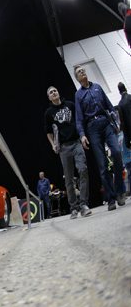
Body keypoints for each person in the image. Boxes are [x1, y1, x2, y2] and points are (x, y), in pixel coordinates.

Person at [74, 65, 126, 211]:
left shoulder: (97, 87)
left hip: (106, 123)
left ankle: (120, 192)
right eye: (79, 72)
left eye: (83, 70)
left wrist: (117, 121)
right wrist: (82, 135)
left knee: (116, 152)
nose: (82, 72)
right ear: (77, 78)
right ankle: (110, 199)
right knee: (102, 165)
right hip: (92, 128)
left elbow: (110, 106)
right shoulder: (78, 95)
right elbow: (79, 118)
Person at [44, 86, 91, 219]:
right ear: (49, 97)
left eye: (55, 91)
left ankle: (83, 204)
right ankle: (74, 208)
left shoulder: (70, 105)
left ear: (58, 93)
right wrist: (53, 144)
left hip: (76, 142)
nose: (54, 93)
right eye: (50, 92)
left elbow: (79, 121)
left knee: (83, 170)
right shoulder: (49, 113)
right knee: (69, 179)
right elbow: (48, 132)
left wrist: (82, 136)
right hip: (63, 148)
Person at [116, 105, 131, 195]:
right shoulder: (119, 132)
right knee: (129, 171)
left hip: (126, 153)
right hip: (125, 155)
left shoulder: (123, 130)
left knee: (129, 171)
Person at [118, 82, 131, 149]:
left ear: (119, 92)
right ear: (126, 88)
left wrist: (127, 142)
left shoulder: (120, 104)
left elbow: (123, 123)